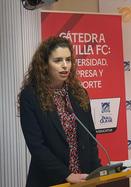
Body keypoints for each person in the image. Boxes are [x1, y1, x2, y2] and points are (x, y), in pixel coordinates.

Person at [18, 36, 101, 187]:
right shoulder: (31, 96)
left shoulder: (79, 93)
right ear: (44, 65)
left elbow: (91, 139)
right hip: (50, 180)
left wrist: (97, 174)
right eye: (58, 61)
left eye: (68, 60)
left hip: (83, 179)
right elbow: (37, 146)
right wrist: (67, 175)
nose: (65, 66)